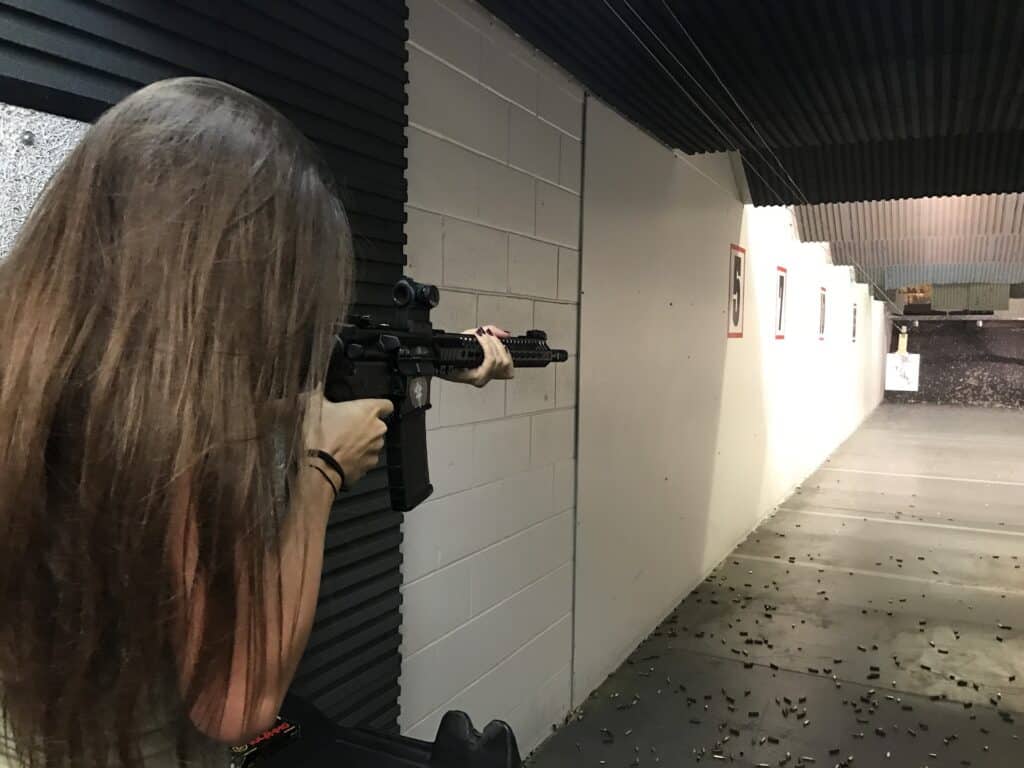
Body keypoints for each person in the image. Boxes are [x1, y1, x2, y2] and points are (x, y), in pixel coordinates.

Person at [0, 77, 513, 767]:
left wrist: (445, 360)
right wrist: (320, 470)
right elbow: (236, 704)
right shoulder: (171, 437)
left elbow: (283, 383)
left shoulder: (43, 368)